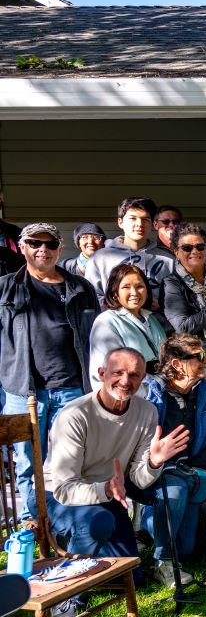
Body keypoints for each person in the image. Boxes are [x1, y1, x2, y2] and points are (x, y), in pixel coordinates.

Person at [43, 347, 190, 616]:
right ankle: (67, 596)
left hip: (111, 493)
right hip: (59, 494)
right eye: (118, 373)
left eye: (134, 375)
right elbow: (64, 487)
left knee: (132, 580)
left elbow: (138, 479)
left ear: (143, 378)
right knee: (97, 522)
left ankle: (85, 548)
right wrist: (105, 489)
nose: (125, 381)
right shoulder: (74, 415)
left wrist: (154, 462)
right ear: (101, 374)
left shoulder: (146, 412)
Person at [0, 223, 97, 521]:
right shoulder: (6, 287)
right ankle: (37, 523)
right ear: (23, 247)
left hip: (71, 389)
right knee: (29, 463)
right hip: (24, 390)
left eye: (50, 244)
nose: (43, 249)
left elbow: (97, 336)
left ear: (59, 248)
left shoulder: (81, 288)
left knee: (67, 461)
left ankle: (64, 521)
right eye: (34, 243)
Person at [143, 334, 206, 587]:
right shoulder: (150, 392)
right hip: (157, 469)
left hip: (193, 469)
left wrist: (197, 465)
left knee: (187, 548)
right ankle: (163, 562)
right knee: (175, 491)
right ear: (178, 364)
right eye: (199, 357)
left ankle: (155, 526)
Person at [88, 263, 168, 393]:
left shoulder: (152, 319)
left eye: (139, 286)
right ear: (115, 293)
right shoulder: (107, 321)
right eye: (126, 287)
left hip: (161, 394)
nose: (134, 293)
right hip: (130, 398)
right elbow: (106, 373)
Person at [85, 196, 175, 308]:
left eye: (145, 219)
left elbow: (179, 299)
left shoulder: (168, 260)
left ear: (152, 224)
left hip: (157, 323)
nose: (139, 224)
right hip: (115, 323)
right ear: (120, 222)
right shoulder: (100, 258)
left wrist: (163, 305)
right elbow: (90, 297)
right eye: (133, 218)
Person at [161, 223, 206, 380]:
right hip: (199, 352)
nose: (195, 251)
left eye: (200, 247)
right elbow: (183, 327)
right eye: (187, 248)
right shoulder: (172, 283)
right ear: (176, 252)